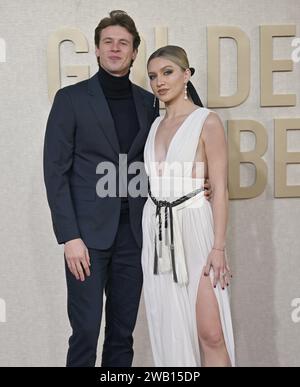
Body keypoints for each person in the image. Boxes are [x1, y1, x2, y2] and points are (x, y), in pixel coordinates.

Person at [43, 10, 213, 367]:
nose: (116, 49)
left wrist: (200, 183)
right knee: (86, 331)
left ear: (135, 51)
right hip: (86, 238)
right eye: (109, 42)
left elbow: (178, 144)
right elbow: (55, 172)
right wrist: (69, 237)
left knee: (122, 335)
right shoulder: (70, 99)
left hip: (137, 235)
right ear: (97, 50)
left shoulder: (149, 102)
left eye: (124, 43)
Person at [142, 45, 235, 367]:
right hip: (157, 230)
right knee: (170, 329)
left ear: (186, 74)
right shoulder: (154, 125)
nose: (159, 82)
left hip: (195, 226)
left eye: (167, 72)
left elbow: (220, 189)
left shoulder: (207, 121)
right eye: (153, 76)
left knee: (211, 332)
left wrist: (219, 247)